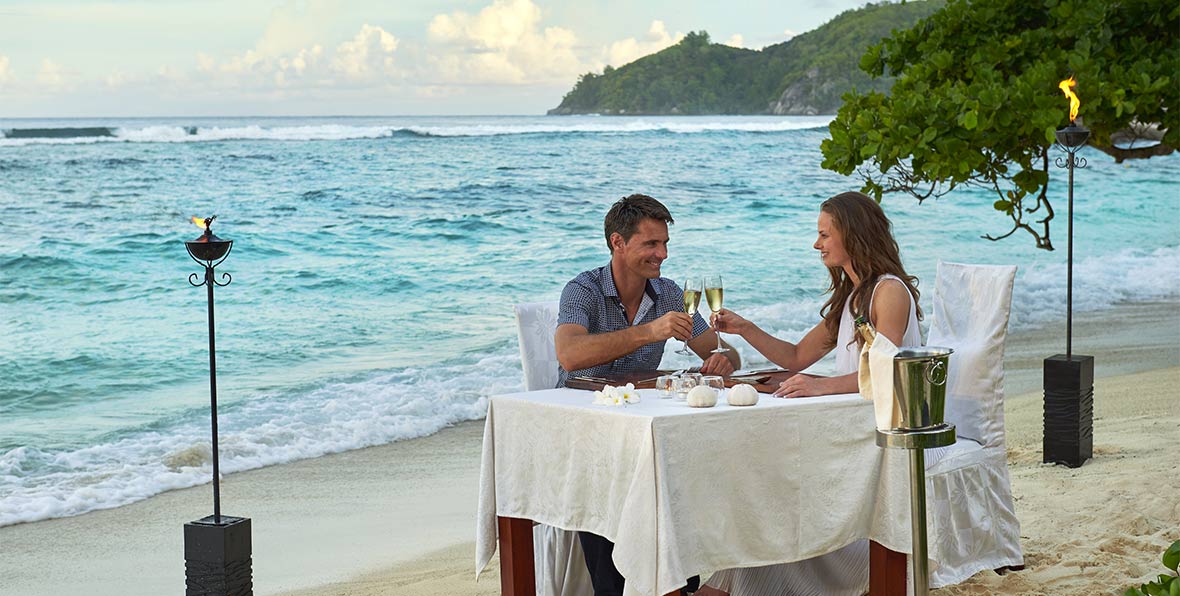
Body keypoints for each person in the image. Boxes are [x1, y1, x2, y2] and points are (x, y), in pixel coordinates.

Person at [699, 191, 922, 596]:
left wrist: (821, 387)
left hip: (886, 428)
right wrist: (746, 328)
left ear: (853, 236)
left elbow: (887, 372)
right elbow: (798, 355)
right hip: (852, 417)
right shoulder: (852, 297)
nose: (816, 244)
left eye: (823, 235)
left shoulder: (889, 291)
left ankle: (764, 565)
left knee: (771, 471)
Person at [555, 193, 741, 596]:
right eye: (651, 244)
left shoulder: (669, 293)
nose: (663, 254)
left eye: (666, 244)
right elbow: (569, 355)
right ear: (617, 243)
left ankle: (679, 585)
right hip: (586, 426)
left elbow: (724, 353)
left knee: (686, 461)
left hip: (641, 424)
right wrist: (648, 332)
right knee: (613, 476)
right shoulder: (582, 290)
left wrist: (723, 361)